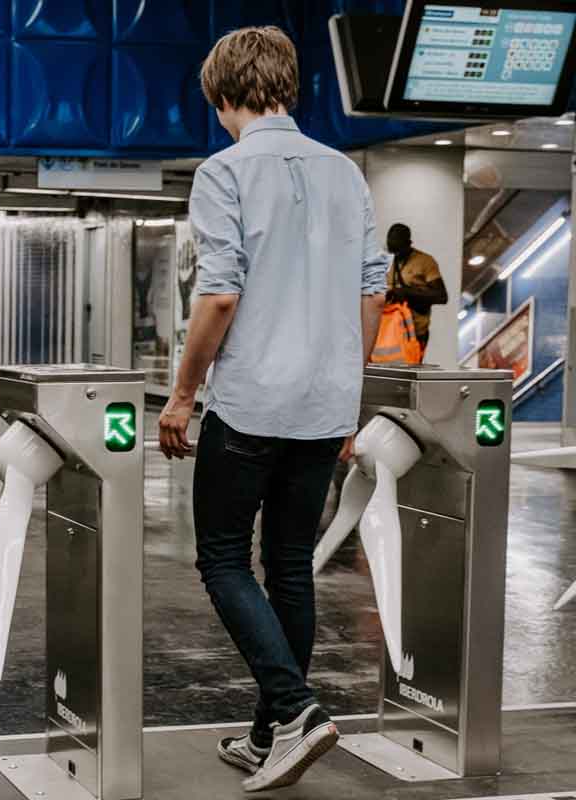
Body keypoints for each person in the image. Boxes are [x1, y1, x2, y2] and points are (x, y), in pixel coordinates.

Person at [157, 27, 387, 792]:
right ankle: (268, 737)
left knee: (222, 558)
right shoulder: (346, 173)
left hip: (252, 401)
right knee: (290, 564)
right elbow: (371, 290)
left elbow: (220, 293)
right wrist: (348, 394)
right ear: (287, 86)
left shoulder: (224, 171)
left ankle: (296, 710)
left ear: (223, 95)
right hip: (324, 403)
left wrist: (184, 394)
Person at [385, 223, 447, 357]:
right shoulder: (386, 260)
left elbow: (442, 296)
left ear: (409, 243)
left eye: (399, 250)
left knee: (408, 373)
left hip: (415, 332)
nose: (396, 255)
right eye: (392, 251)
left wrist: (407, 294)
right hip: (389, 330)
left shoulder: (425, 261)